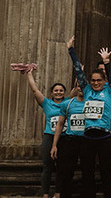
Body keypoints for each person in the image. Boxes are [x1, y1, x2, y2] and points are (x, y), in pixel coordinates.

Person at [69, 34, 111, 198]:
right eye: (93, 80)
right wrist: (71, 50)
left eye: (98, 80)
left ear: (103, 80)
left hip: (105, 137)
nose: (95, 83)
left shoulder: (109, 90)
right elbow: (78, 70)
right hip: (87, 138)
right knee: (87, 173)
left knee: (106, 173)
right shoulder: (86, 90)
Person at [18, 64, 66, 198]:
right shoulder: (46, 103)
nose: (58, 92)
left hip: (64, 138)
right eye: (56, 90)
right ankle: (45, 193)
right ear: (52, 93)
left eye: (61, 90)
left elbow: (77, 88)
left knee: (61, 168)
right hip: (49, 137)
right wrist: (29, 73)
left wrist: (80, 70)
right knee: (47, 167)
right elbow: (34, 90)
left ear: (64, 92)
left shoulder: (68, 102)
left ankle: (58, 193)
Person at [50, 82, 85, 198]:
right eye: (79, 85)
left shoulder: (92, 102)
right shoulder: (67, 103)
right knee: (67, 171)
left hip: (87, 140)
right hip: (71, 140)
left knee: (88, 171)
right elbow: (60, 124)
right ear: (75, 88)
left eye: (84, 85)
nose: (81, 88)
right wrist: (54, 145)